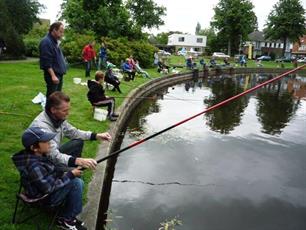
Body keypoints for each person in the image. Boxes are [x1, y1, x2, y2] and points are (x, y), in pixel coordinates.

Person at [12, 127, 87, 230]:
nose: (50, 143)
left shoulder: (37, 155)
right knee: (76, 183)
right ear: (34, 147)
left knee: (74, 178)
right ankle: (66, 219)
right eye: (45, 141)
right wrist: (70, 175)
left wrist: (65, 172)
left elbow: (50, 172)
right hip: (44, 198)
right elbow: (49, 188)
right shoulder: (34, 166)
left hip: (42, 187)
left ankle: (67, 214)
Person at [29, 91, 111, 169]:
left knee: (78, 142)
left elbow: (74, 132)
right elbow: (54, 156)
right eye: (65, 111)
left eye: (68, 110)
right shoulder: (42, 127)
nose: (68, 113)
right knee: (78, 183)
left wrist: (96, 136)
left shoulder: (57, 118)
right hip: (44, 163)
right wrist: (77, 161)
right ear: (53, 110)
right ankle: (69, 172)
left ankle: (72, 170)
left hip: (53, 153)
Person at [39, 22, 67, 97]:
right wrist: (53, 76)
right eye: (60, 31)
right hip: (53, 75)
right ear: (54, 30)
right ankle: (48, 109)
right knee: (52, 98)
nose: (62, 34)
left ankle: (55, 109)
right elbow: (46, 62)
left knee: (57, 98)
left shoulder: (54, 42)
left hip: (58, 74)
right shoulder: (46, 42)